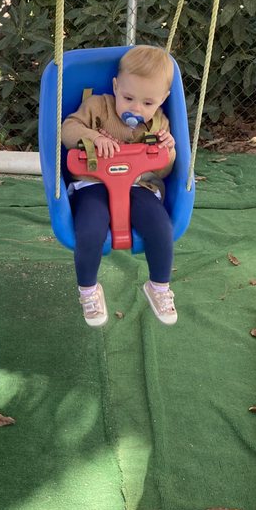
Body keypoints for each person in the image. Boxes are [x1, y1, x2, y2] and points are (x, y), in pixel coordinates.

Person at [60, 44, 179, 327]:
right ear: (115, 86)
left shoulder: (159, 124)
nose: (136, 108)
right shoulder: (97, 106)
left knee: (162, 227)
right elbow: (67, 130)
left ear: (163, 99)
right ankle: (88, 290)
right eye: (128, 97)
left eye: (148, 103)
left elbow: (164, 170)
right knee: (89, 230)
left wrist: (169, 150)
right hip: (93, 184)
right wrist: (92, 137)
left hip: (138, 186)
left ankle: (159, 287)